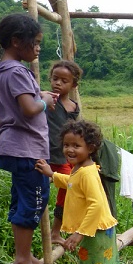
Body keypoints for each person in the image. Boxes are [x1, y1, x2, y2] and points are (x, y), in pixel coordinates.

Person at [0, 13, 57, 264]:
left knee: (23, 200)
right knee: (35, 201)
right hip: (27, 150)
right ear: (16, 41)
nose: (38, 48)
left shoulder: (2, 70)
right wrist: (44, 99)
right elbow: (28, 108)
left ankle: (25, 256)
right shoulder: (16, 71)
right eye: (35, 43)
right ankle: (21, 262)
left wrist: (39, 98)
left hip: (13, 148)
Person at [36, 119, 121, 264]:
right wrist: (52, 174)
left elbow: (96, 205)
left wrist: (79, 233)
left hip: (94, 232)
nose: (69, 150)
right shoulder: (82, 169)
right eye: (66, 145)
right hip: (96, 230)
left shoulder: (87, 173)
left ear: (90, 148)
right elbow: (73, 184)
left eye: (76, 145)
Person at [45, 60, 82, 245]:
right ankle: (50, 232)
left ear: (73, 85)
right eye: (55, 78)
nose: (58, 83)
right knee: (60, 189)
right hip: (48, 153)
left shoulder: (74, 107)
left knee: (67, 192)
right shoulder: (47, 100)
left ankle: (56, 231)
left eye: (64, 80)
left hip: (66, 156)